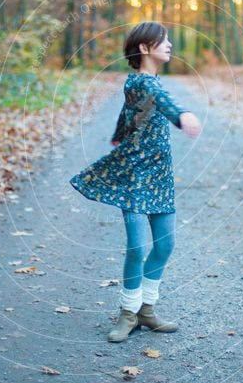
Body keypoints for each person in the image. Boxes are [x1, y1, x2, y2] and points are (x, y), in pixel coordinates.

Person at [69, 21, 202, 342]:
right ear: (145, 48)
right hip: (136, 175)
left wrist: (118, 135)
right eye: (163, 40)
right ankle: (127, 313)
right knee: (138, 246)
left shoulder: (149, 82)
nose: (169, 45)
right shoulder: (143, 83)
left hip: (160, 174)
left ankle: (147, 310)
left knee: (165, 244)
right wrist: (182, 115)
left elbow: (130, 113)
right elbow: (159, 100)